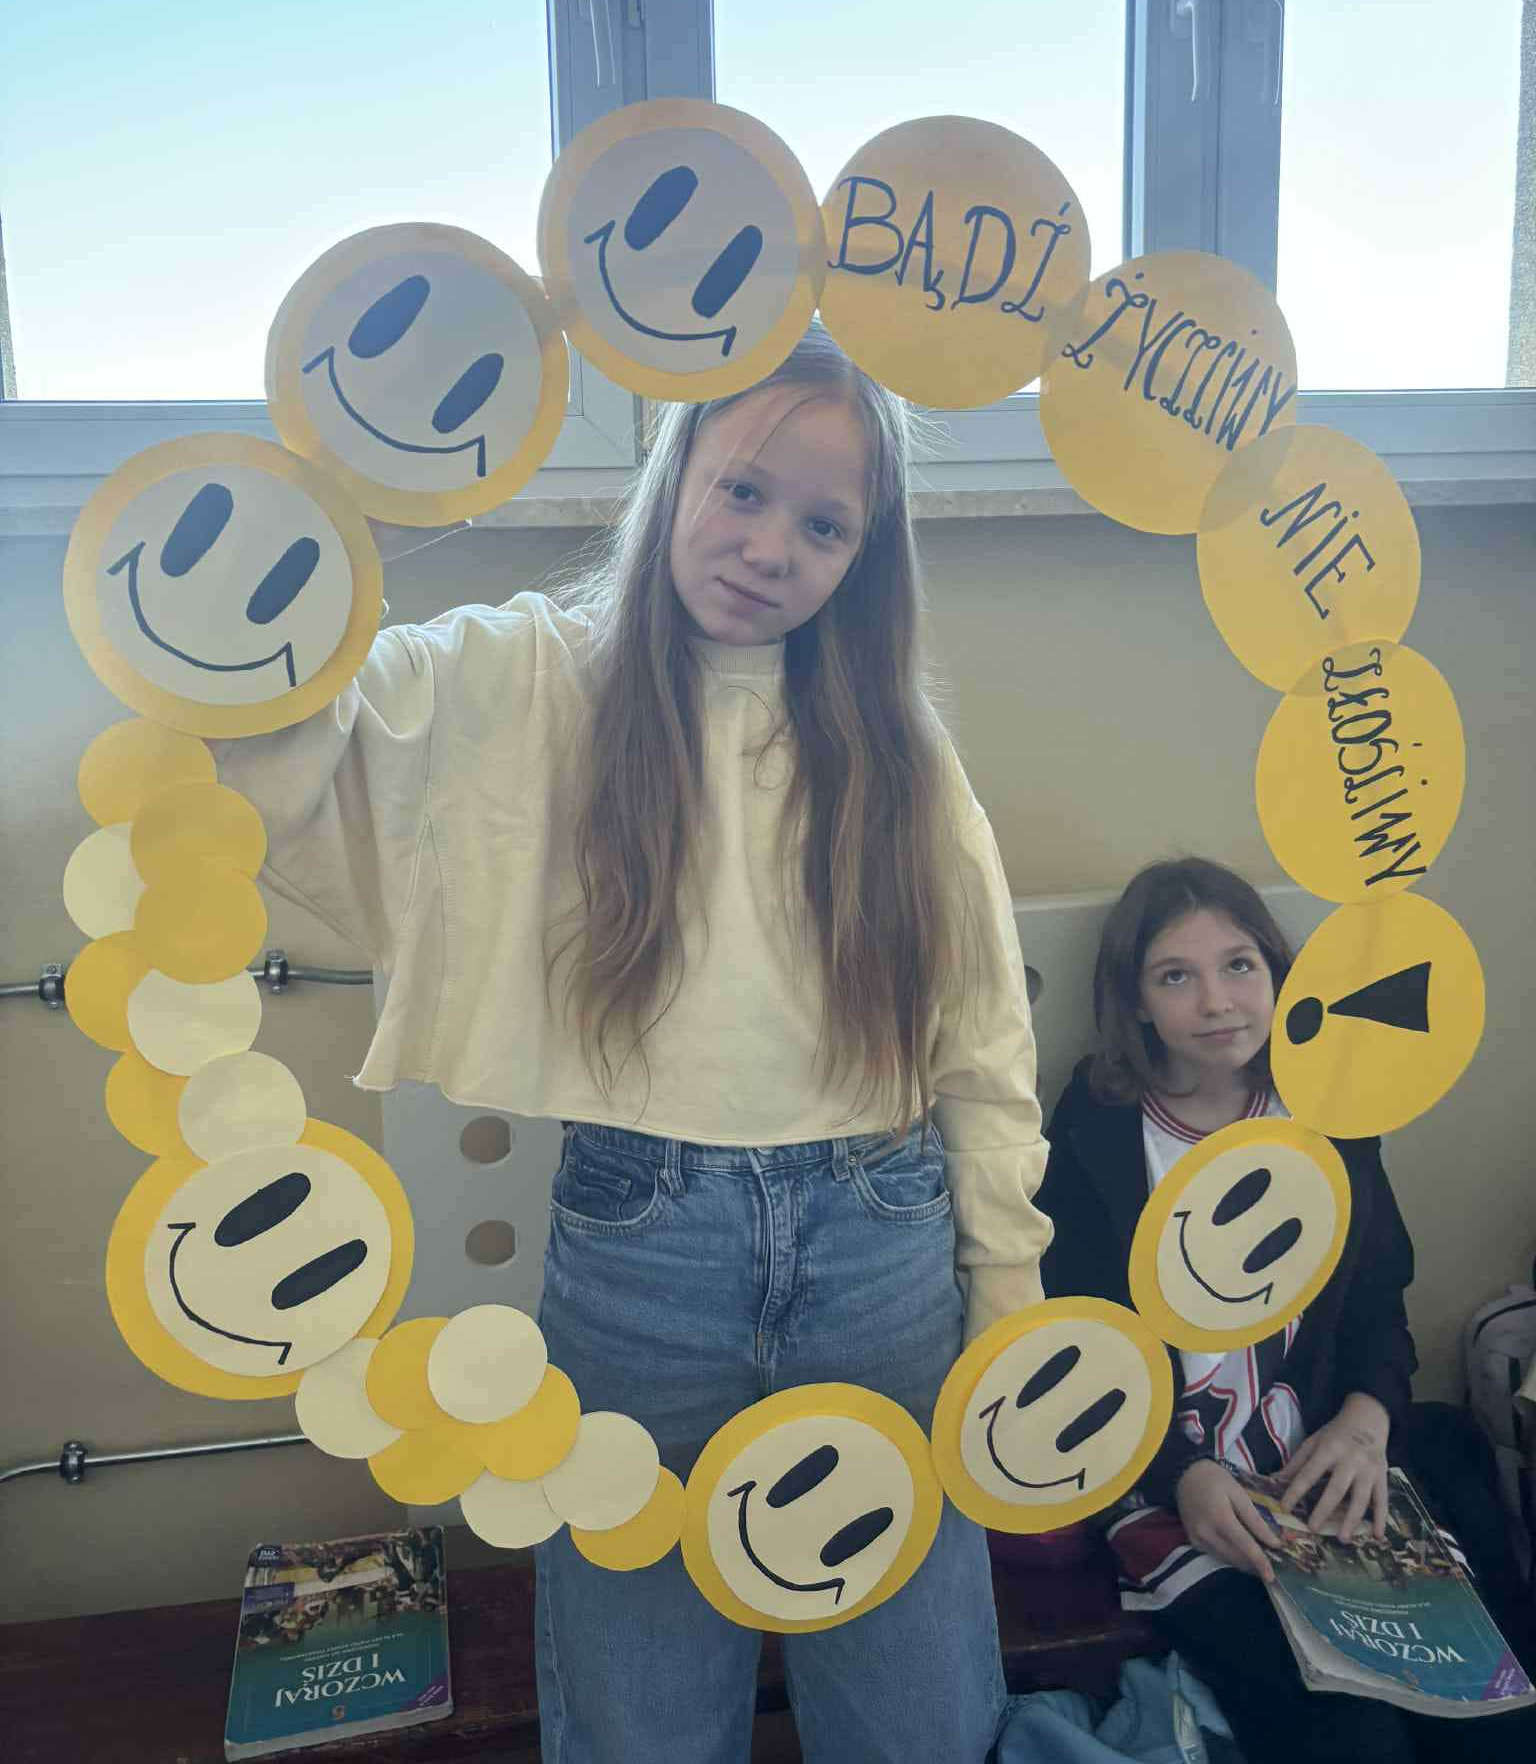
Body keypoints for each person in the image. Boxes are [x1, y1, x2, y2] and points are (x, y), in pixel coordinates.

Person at [217, 324, 1047, 1763]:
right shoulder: (533, 674)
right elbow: (300, 744)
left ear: (865, 556)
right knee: (639, 1701)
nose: (770, 548)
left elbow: (981, 1037)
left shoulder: (897, 748)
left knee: (917, 1699)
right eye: (742, 489)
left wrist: (1010, 1282)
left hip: (884, 1239)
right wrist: (319, 523)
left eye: (825, 525)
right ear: (675, 471)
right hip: (642, 1245)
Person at [1036, 856, 1534, 1763]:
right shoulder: (1097, 1125)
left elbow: (1379, 1299)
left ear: (1277, 973)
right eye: (1175, 976)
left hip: (1325, 1465)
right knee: (1351, 1741)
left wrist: (1366, 1421)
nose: (1216, 1001)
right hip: (1173, 1482)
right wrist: (1181, 1474)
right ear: (1136, 1001)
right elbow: (1079, 1343)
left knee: (1493, 1729)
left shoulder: (1330, 1105)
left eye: (1239, 965)